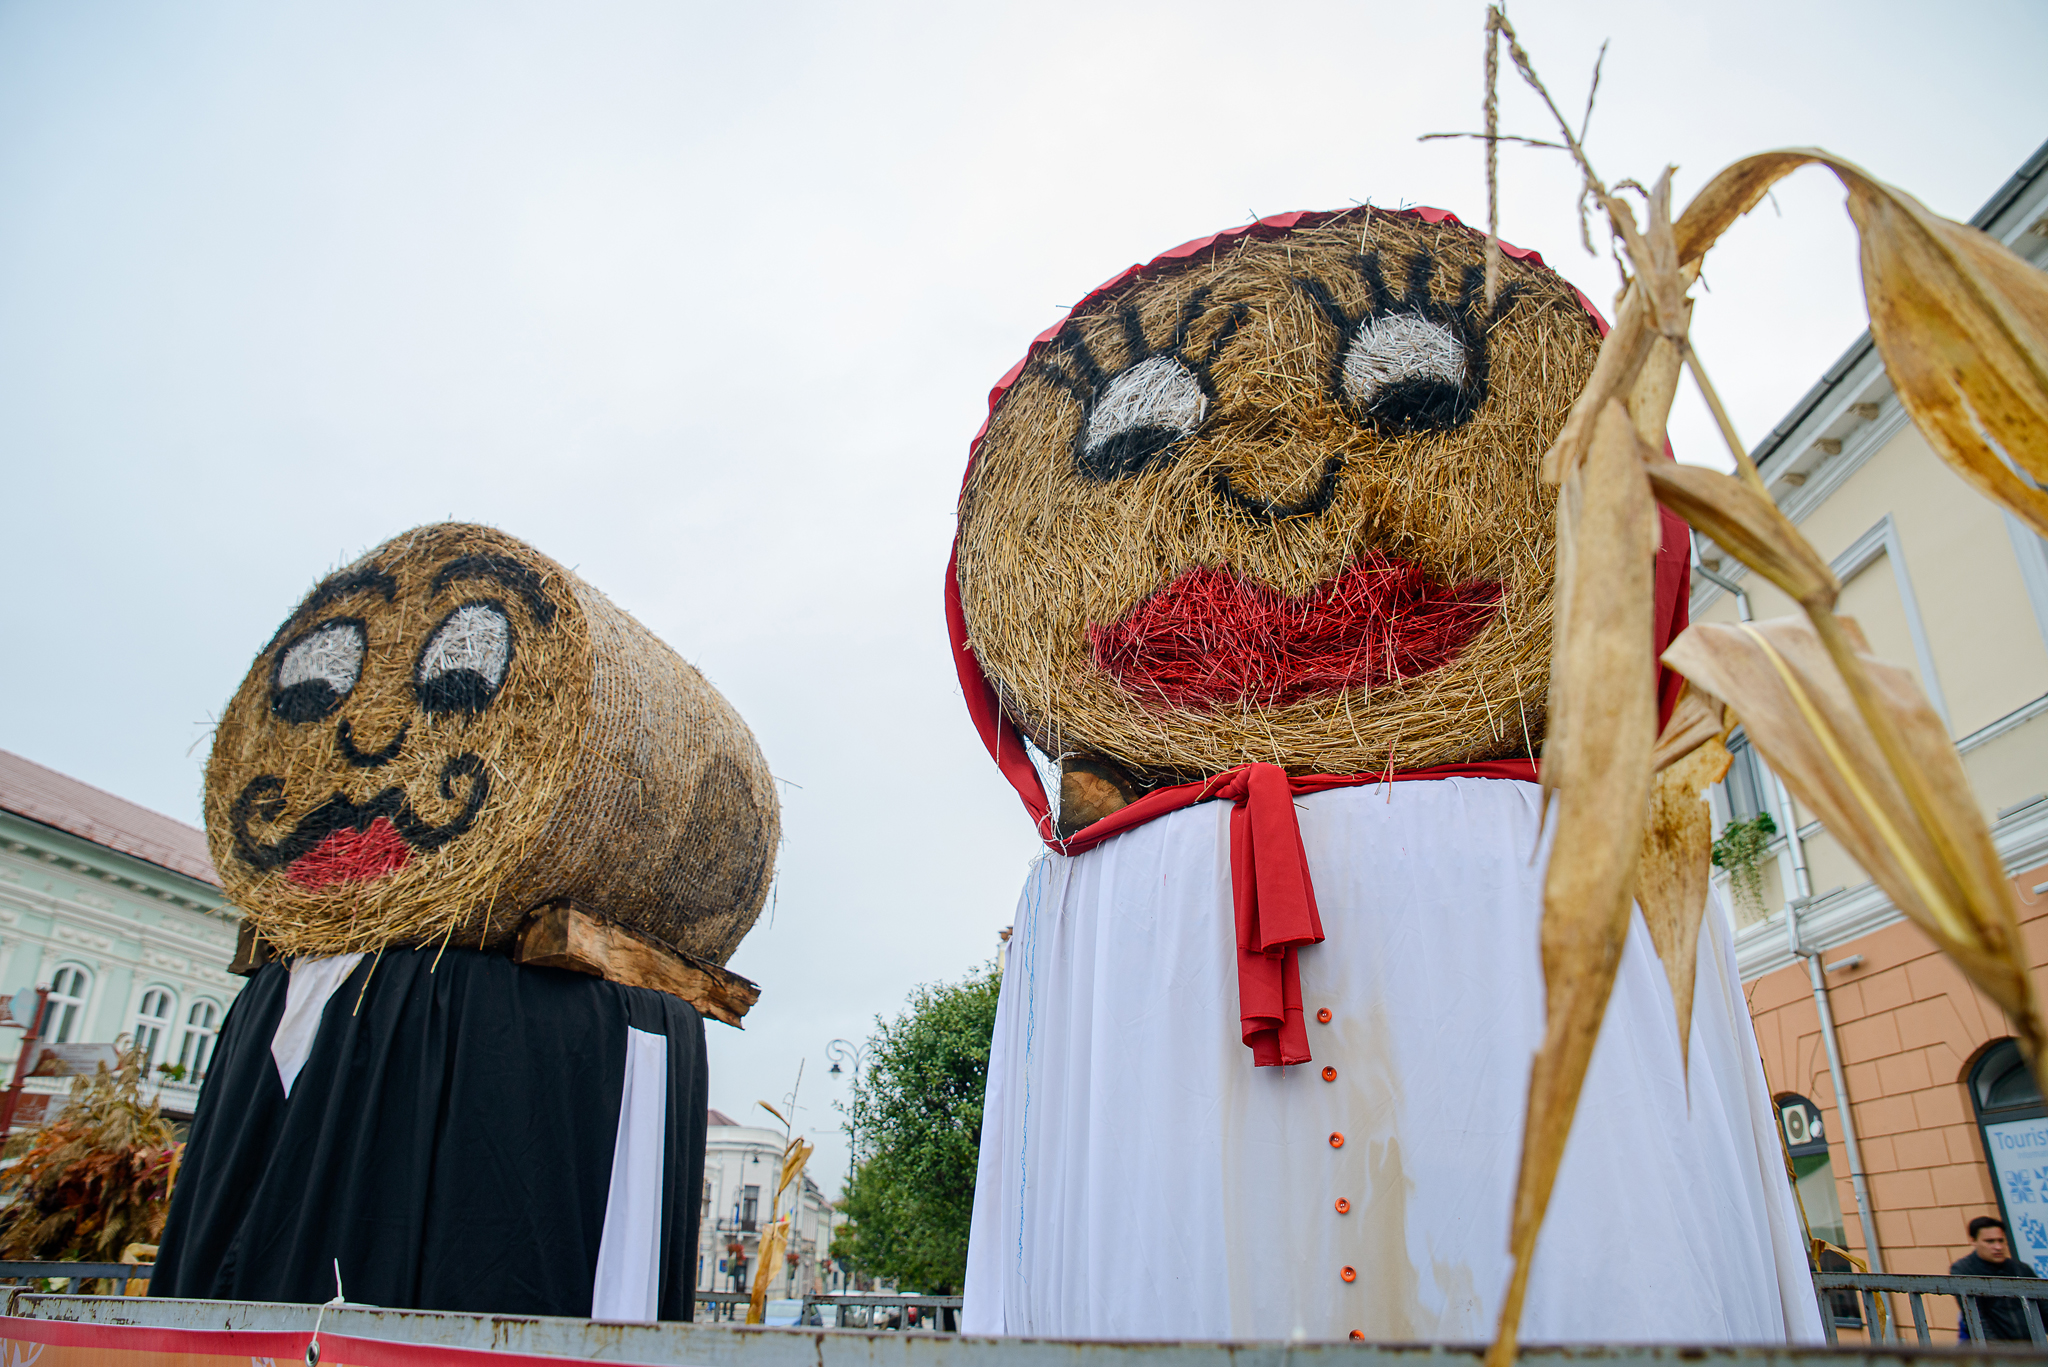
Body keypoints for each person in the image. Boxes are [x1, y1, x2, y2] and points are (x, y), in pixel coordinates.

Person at [1950, 1216, 2042, 1341]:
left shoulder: (2020, 1269)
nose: (1998, 1247)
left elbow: (2044, 1307)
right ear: (1973, 1241)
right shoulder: (1963, 1270)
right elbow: (1976, 1318)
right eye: (1990, 1241)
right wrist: (1997, 1352)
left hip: (2029, 1348)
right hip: (1992, 1353)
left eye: (2001, 1240)